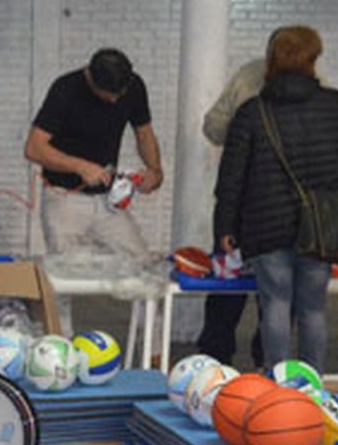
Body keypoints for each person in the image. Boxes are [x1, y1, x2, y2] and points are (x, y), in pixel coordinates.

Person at [212, 26, 338, 373]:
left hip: (266, 224)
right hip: (322, 227)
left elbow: (232, 177)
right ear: (313, 58)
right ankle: (312, 384)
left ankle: (277, 382)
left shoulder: (252, 111)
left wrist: (225, 225)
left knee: (275, 305)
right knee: (313, 309)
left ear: (272, 60)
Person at [24, 48, 163, 259]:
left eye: (120, 95)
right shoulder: (66, 89)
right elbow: (34, 148)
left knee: (139, 261)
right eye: (109, 95)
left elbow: (144, 133)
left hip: (108, 200)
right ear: (91, 78)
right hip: (65, 199)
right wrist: (80, 167)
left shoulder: (133, 86)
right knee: (70, 270)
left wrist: (155, 171)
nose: (114, 100)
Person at [197, 51, 270, 363]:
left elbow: (213, 127)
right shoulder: (323, 91)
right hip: (288, 209)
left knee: (227, 283)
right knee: (279, 295)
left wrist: (241, 134)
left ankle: (214, 357)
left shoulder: (248, 76)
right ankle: (268, 361)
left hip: (243, 199)